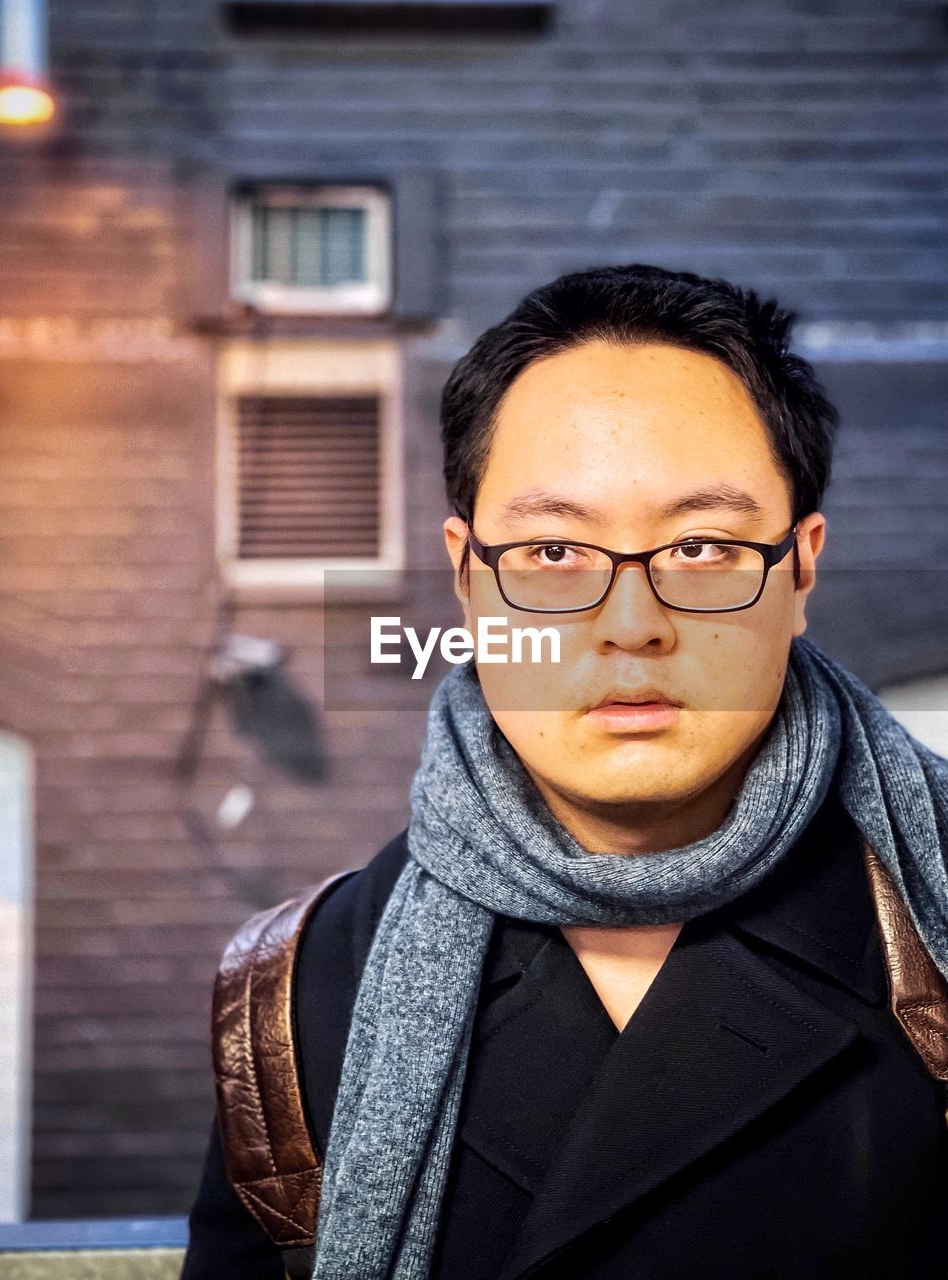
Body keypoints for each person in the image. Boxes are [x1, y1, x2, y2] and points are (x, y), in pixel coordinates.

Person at [181, 264, 948, 1280]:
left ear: (800, 568)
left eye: (705, 545)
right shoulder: (297, 991)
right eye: (552, 551)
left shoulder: (925, 917)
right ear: (467, 578)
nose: (632, 624)